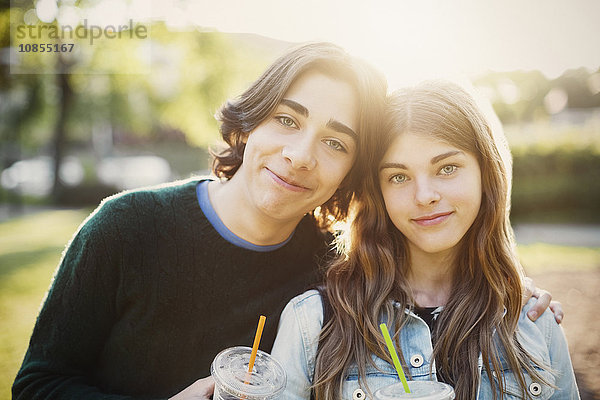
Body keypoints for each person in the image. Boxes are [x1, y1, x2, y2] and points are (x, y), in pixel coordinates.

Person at [12, 42, 389, 400]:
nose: (300, 155)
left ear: (351, 174)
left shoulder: (336, 274)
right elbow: (38, 385)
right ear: (249, 123)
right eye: (287, 120)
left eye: (335, 143)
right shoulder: (125, 227)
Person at [272, 81, 579, 399]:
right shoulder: (313, 322)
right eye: (399, 177)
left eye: (447, 168)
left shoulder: (533, 322)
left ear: (486, 172)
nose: (424, 196)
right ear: (379, 192)